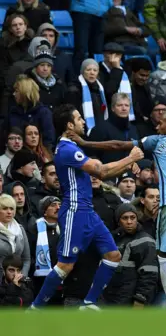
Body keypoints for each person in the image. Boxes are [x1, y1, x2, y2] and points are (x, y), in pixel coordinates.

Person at [68, 111, 166, 309]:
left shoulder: (158, 141)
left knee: (164, 258)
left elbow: (118, 145)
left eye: (161, 123)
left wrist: (85, 143)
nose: (157, 126)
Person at [30, 104, 144, 310]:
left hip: (87, 211)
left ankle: (89, 302)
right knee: (65, 265)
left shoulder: (73, 148)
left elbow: (101, 168)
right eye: (79, 118)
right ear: (69, 125)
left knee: (113, 256)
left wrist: (127, 164)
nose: (83, 121)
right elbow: (100, 172)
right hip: (75, 211)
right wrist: (130, 158)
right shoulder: (66, 149)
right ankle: (35, 309)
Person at [0, 194, 30, 276]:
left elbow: (26, 259)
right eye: (5, 208)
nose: (9, 212)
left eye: (12, 208)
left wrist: (21, 276)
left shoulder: (20, 229)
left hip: (18, 281)